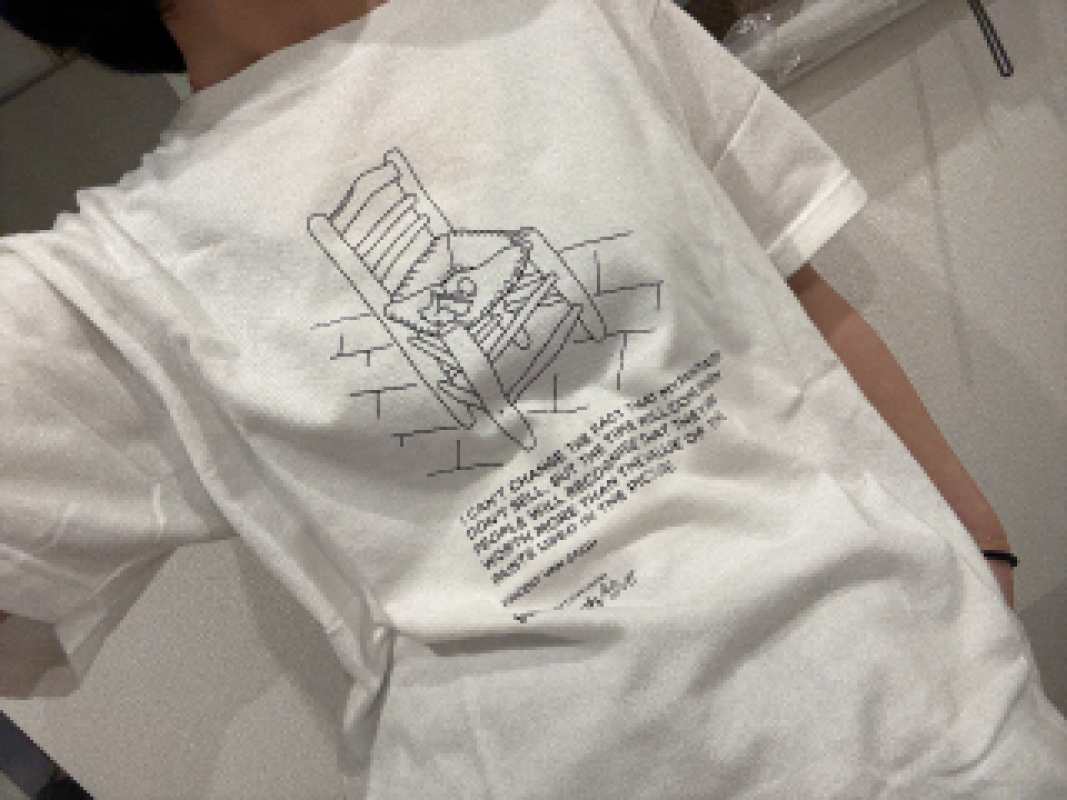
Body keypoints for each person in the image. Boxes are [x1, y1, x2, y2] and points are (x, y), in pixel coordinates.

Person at [1, 0, 1064, 797]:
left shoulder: (573, 16)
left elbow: (794, 287)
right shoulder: (118, 276)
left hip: (934, 725)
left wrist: (979, 551)